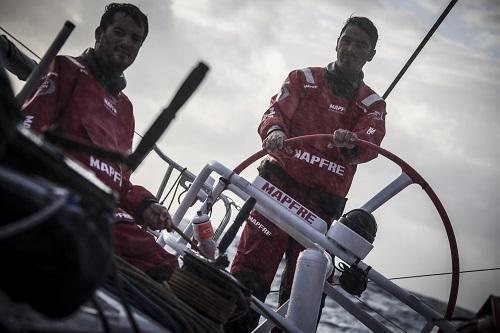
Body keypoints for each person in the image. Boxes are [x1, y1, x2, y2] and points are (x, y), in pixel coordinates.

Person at [229, 16, 386, 331]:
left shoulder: (372, 104)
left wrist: (352, 143)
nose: (352, 49)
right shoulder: (302, 79)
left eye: (361, 45)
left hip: (319, 214)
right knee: (246, 281)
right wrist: (274, 131)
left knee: (303, 298)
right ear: (337, 42)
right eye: (347, 40)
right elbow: (275, 112)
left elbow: (370, 141)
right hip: (276, 196)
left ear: (370, 55)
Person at [21, 3, 178, 281]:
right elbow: (25, 138)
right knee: (156, 263)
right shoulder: (65, 69)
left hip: (104, 214)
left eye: (135, 39)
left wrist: (145, 205)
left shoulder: (126, 110)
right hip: (62, 201)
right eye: (119, 32)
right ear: (99, 33)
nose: (126, 42)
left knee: (166, 261)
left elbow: (121, 182)